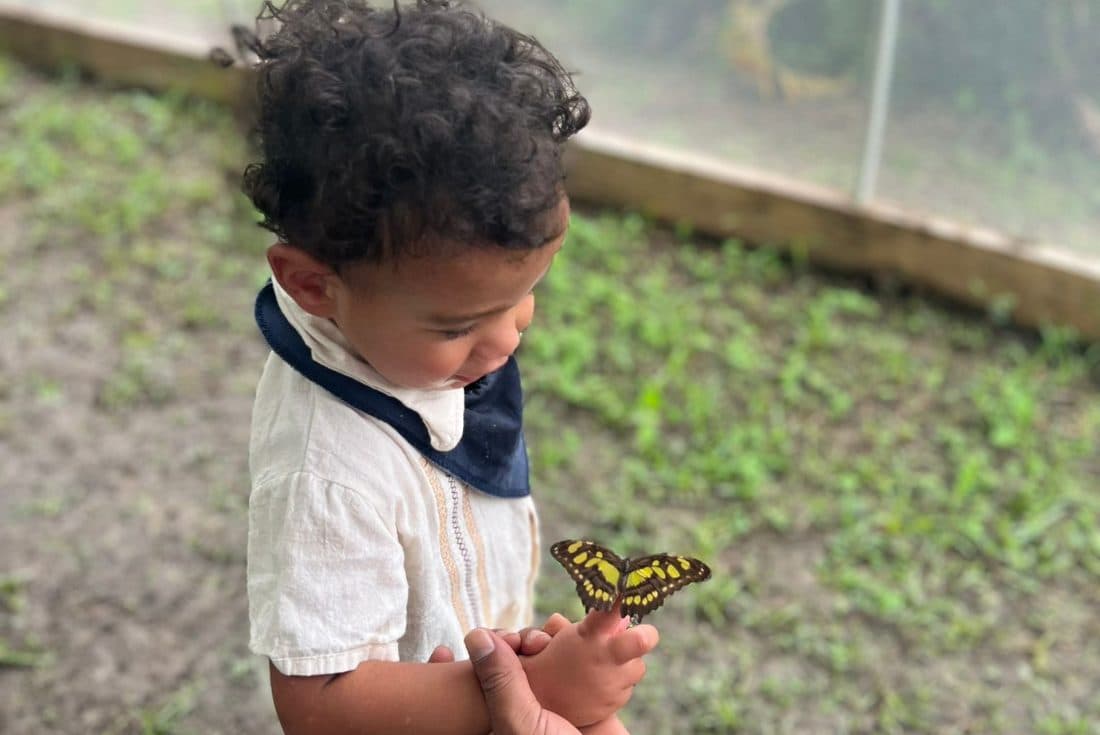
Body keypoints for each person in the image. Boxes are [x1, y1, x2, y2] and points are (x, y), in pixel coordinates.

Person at [237, 1, 658, 733]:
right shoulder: (328, 468)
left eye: (525, 298)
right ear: (313, 285)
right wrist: (535, 691)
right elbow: (317, 703)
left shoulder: (411, 338)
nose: (505, 343)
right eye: (459, 325)